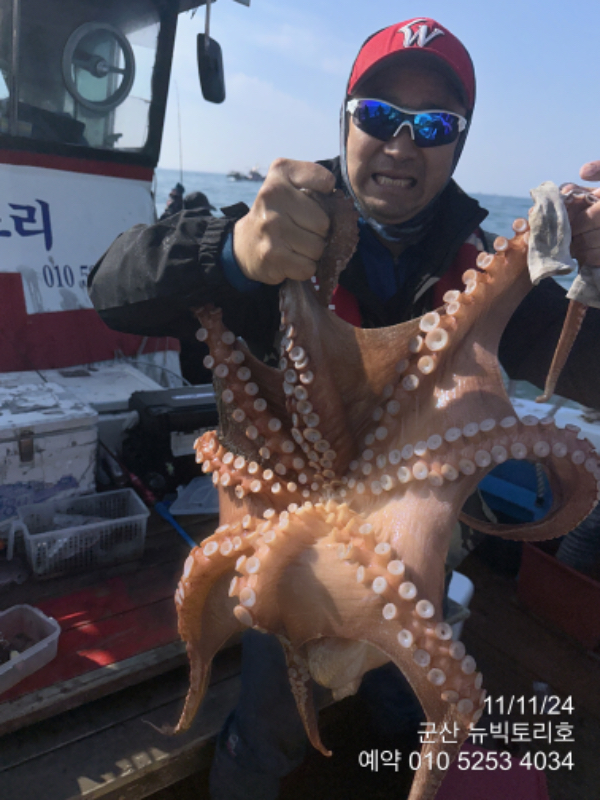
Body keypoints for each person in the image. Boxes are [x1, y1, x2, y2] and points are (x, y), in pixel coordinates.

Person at [88, 18, 600, 799]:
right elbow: (112, 287)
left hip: (418, 547)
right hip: (288, 546)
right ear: (345, 119)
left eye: (433, 125)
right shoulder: (277, 227)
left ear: (458, 144)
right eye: (379, 115)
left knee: (406, 687)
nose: (402, 143)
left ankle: (389, 744)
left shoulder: (479, 271)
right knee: (271, 720)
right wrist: (232, 254)